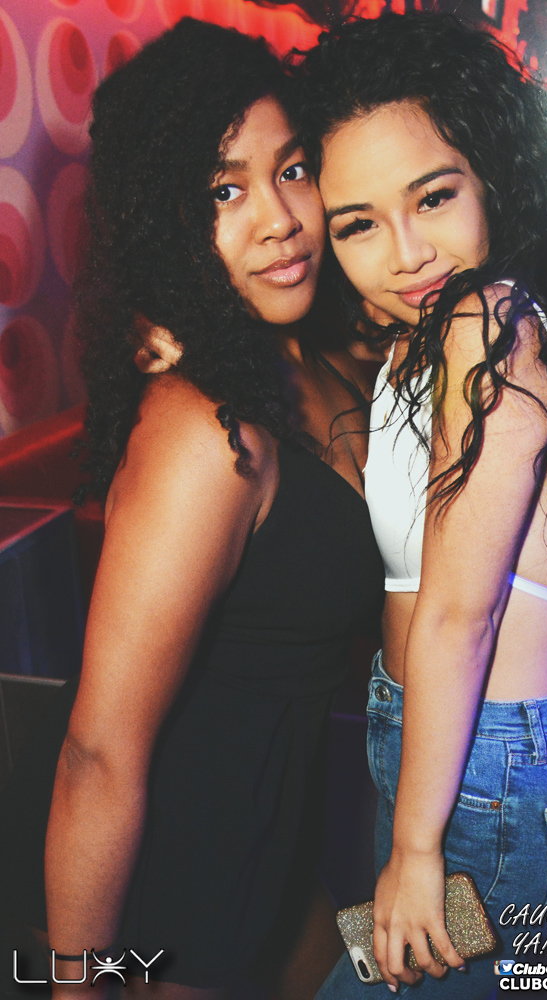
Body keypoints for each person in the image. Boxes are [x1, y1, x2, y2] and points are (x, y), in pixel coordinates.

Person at [0, 17, 384, 999]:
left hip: (279, 841)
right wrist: (80, 985)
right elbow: (98, 754)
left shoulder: (329, 359)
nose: (280, 218)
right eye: (225, 189)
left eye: (291, 169)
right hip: (169, 876)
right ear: (168, 219)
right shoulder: (202, 429)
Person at [293, 13, 547, 998]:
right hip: (451, 751)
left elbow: (461, 610)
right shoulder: (449, 330)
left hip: (477, 779)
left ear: (490, 174)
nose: (406, 251)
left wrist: (415, 848)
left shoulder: (487, 323)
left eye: (433, 196)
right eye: (358, 223)